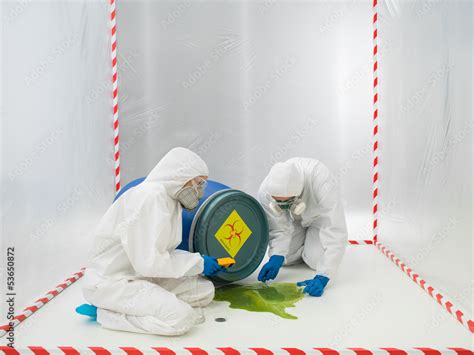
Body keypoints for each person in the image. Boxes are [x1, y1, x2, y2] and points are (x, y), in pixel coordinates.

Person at [80, 147, 224, 336]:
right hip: (112, 282)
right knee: (181, 318)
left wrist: (199, 260)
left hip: (139, 274)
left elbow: (162, 253)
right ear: (182, 175)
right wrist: (198, 264)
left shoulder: (169, 198)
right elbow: (149, 262)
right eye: (198, 183)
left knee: (203, 291)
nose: (199, 191)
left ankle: (145, 304)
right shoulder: (149, 197)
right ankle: (106, 313)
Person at [257, 158, 348, 297]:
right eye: (278, 202)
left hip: (319, 218)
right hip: (296, 220)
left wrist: (324, 275)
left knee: (316, 260)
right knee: (285, 258)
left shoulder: (321, 179)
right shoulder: (265, 191)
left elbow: (335, 227)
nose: (282, 205)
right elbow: (278, 226)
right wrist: (276, 255)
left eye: (288, 201)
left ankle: (312, 243)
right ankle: (304, 242)